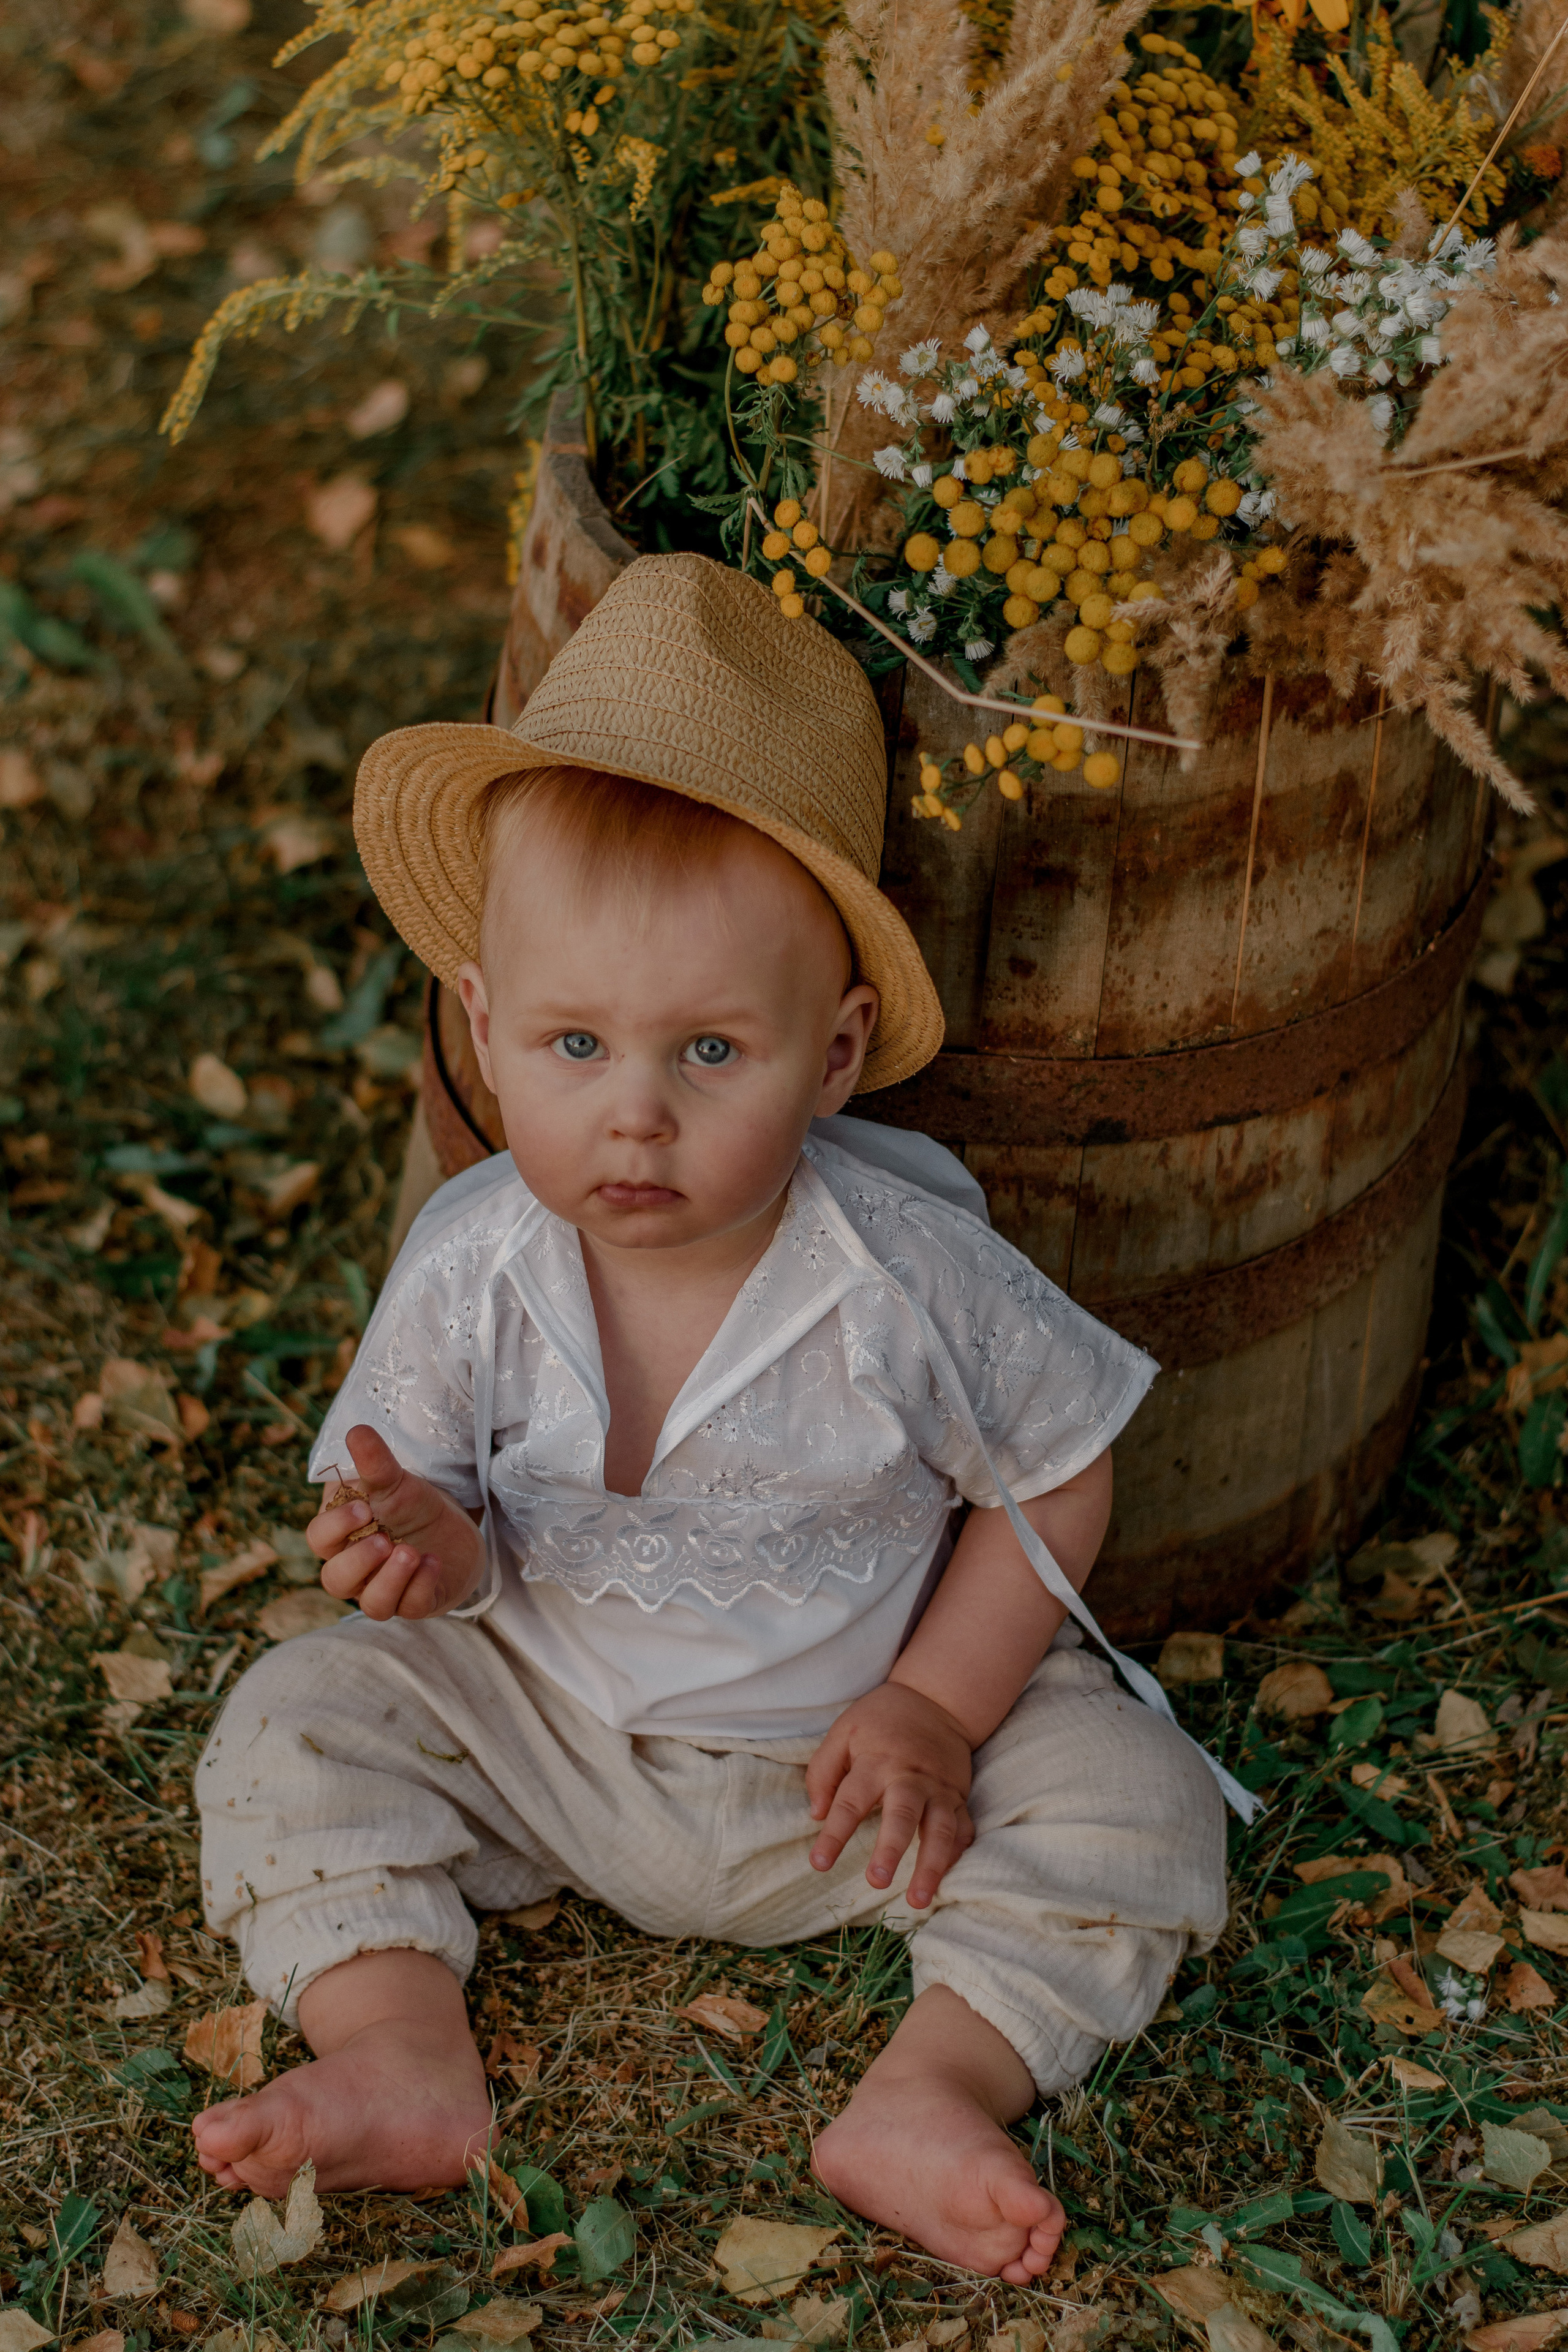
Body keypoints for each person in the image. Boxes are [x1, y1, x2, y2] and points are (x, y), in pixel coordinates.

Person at [190, 553, 1231, 2283]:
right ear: (487, 1029)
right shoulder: (473, 1264)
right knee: (300, 1716)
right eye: (578, 1045)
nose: (637, 1121)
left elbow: (1058, 1471)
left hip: (861, 1779)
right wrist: (426, 1553)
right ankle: (395, 2047)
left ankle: (932, 2089)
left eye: (711, 1055)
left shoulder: (902, 1269)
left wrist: (932, 1705)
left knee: (1136, 1790)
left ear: (833, 1058)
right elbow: (421, 1517)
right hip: (544, 1723)